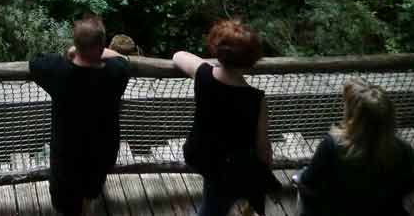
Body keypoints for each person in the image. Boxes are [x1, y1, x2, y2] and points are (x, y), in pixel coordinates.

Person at [173, 19, 278, 216]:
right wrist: (264, 170)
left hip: (200, 153)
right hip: (229, 166)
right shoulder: (256, 99)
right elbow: (263, 146)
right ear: (252, 59)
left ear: (217, 51)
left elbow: (178, 56)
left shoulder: (204, 75)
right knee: (215, 207)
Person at [29, 13, 131, 216]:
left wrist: (71, 52)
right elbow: (122, 58)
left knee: (65, 202)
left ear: (76, 44)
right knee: (91, 191)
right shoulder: (116, 74)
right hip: (101, 154)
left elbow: (35, 61)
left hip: (67, 157)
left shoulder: (59, 73)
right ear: (102, 47)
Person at [296, 77, 414, 216]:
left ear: (354, 116)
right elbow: (408, 187)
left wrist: (301, 176)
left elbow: (309, 183)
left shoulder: (332, 146)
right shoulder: (404, 151)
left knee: (300, 180)